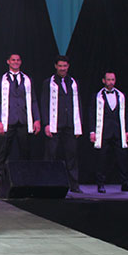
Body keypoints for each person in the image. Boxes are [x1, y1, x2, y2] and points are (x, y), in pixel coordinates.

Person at [0, 53, 41, 189]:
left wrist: (37, 119)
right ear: (8, 61)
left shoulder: (27, 79)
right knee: (3, 153)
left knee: (25, 153)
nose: (15, 62)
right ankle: (0, 183)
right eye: (13, 60)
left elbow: (33, 100)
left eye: (18, 60)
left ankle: (25, 182)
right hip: (7, 121)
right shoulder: (1, 80)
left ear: (20, 62)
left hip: (24, 121)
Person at [89, 71, 128, 193]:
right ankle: (100, 184)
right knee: (101, 159)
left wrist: (127, 130)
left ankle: (125, 183)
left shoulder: (121, 95)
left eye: (113, 80)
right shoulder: (97, 96)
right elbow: (92, 114)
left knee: (122, 159)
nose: (111, 82)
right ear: (103, 81)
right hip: (103, 132)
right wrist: (92, 131)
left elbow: (126, 114)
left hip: (118, 131)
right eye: (108, 80)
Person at [41, 56, 83, 193]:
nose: (62, 68)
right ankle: (48, 184)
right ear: (56, 66)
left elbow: (78, 104)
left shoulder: (73, 82)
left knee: (72, 155)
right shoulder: (49, 83)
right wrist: (46, 124)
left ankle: (74, 185)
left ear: (68, 66)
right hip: (55, 124)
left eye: (65, 66)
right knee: (51, 155)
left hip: (70, 124)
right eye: (60, 66)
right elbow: (44, 104)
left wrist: (79, 125)